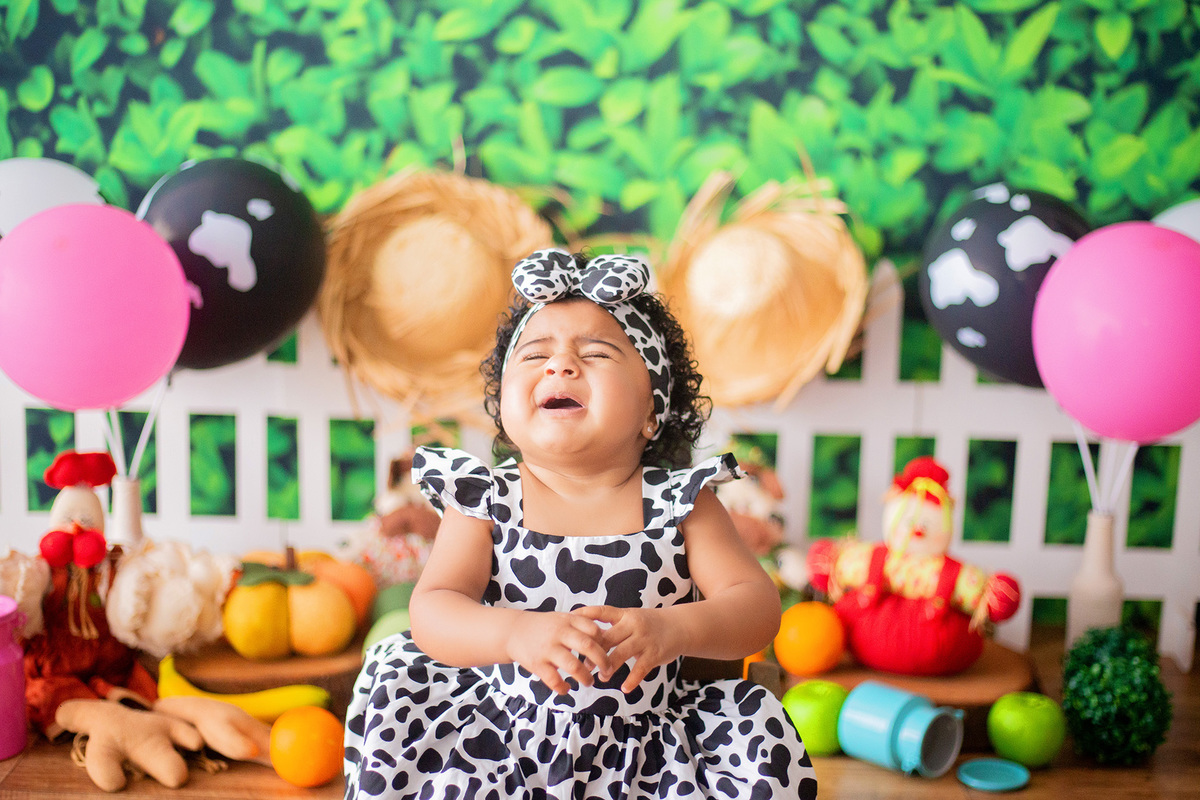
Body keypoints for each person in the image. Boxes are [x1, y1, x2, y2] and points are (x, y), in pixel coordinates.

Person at [344, 248, 818, 799]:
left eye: (595, 353)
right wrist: (513, 633)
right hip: (501, 741)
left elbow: (756, 608)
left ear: (652, 410)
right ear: (504, 406)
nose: (560, 365)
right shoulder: (485, 501)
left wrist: (677, 627)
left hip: (650, 750)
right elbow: (432, 611)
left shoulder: (682, 503)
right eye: (534, 354)